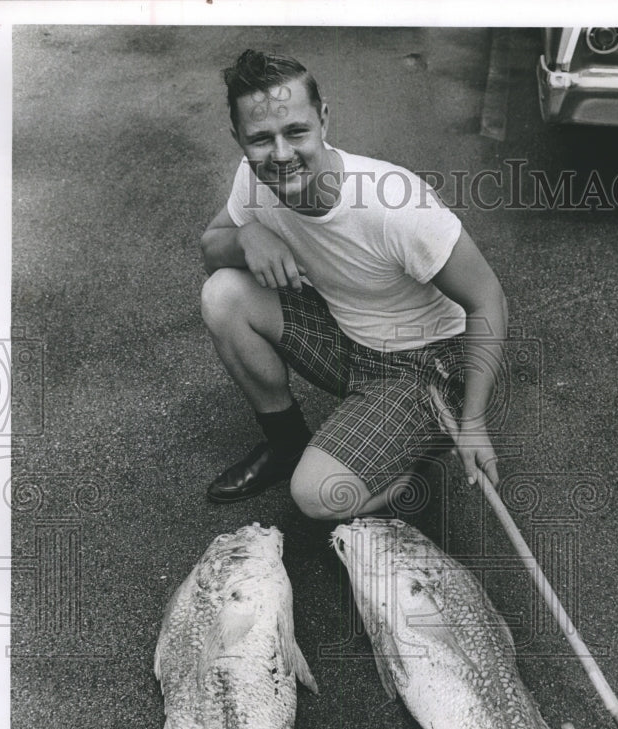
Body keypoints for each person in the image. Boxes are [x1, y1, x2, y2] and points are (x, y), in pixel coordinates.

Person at [201, 49, 508, 519]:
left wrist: (475, 422)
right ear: (238, 138)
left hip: (423, 364)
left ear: (323, 118)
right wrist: (246, 236)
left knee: (316, 496)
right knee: (223, 294)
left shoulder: (394, 205)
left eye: (296, 132)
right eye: (260, 139)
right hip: (349, 335)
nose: (281, 154)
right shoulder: (253, 178)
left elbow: (488, 298)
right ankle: (286, 446)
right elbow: (211, 247)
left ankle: (412, 465)